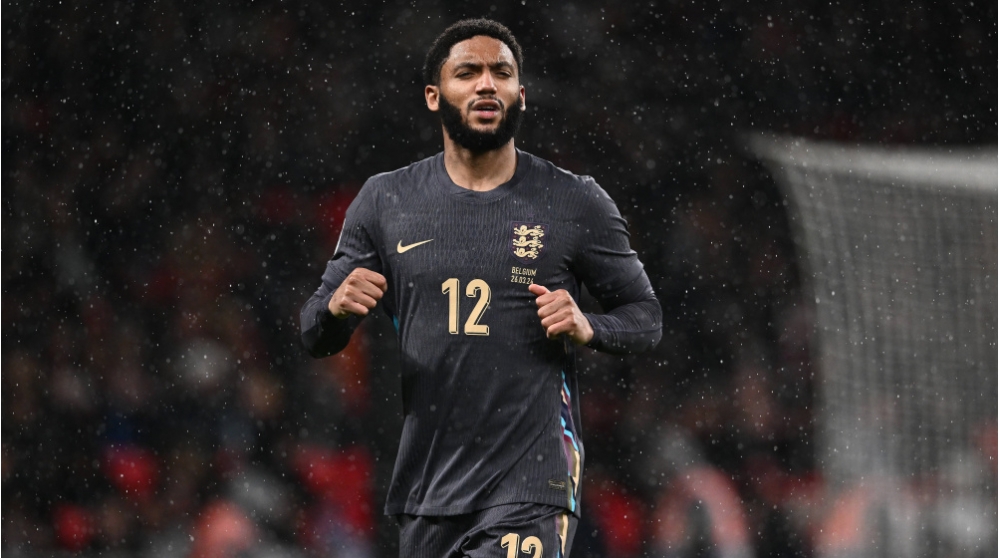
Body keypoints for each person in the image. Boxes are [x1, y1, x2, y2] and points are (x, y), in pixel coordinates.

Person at [300, 18, 662, 558]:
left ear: (521, 94)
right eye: (468, 72)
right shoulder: (385, 201)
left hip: (530, 483)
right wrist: (335, 309)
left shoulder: (574, 201)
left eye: (502, 73)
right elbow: (314, 332)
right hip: (429, 489)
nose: (487, 84)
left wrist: (590, 325)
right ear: (434, 95)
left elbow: (646, 317)